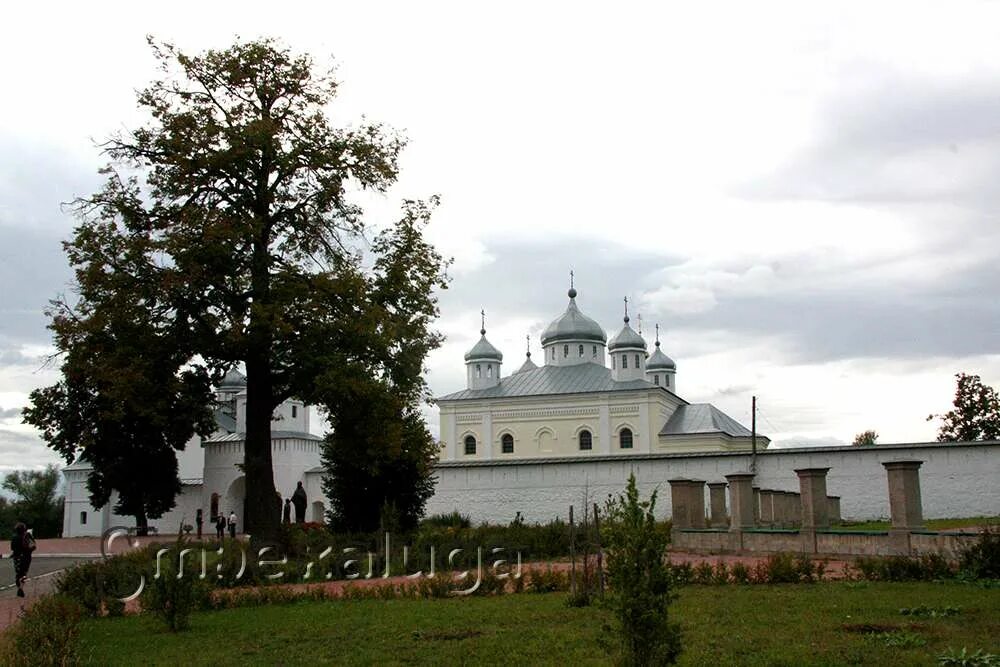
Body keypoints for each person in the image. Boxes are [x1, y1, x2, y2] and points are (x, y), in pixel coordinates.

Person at [10, 522, 36, 598]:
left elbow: (12, 548)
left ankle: (19, 588)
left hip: (17, 557)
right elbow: (33, 546)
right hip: (26, 557)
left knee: (18, 573)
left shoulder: (14, 537)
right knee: (24, 572)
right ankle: (21, 587)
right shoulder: (27, 536)